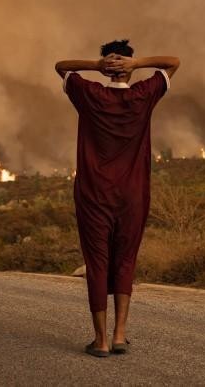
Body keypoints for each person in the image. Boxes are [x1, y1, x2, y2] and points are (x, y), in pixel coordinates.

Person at [55, 39, 180, 358]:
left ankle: (101, 341)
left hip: (94, 194)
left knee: (97, 264)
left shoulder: (90, 94)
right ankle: (120, 335)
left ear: (108, 66)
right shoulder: (144, 95)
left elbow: (61, 67)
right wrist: (138, 65)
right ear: (128, 64)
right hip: (133, 195)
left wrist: (95, 67)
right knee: (125, 260)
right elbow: (173, 62)